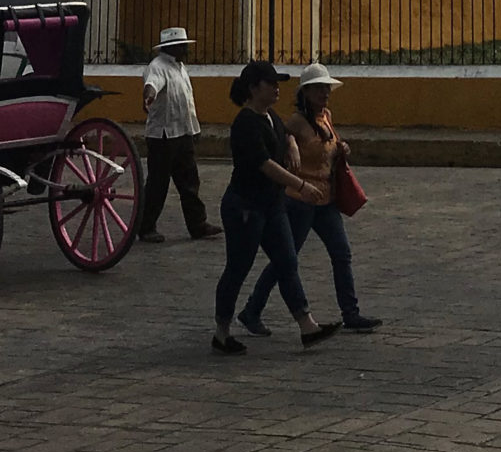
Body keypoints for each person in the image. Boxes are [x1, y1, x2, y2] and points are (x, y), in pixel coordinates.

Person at [241, 62, 381, 335]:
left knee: (341, 253)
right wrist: (291, 144)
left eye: (327, 89)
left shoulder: (325, 116)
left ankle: (350, 312)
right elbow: (281, 146)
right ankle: (251, 309)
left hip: (326, 200)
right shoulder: (295, 122)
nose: (324, 94)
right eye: (319, 89)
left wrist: (342, 149)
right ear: (305, 92)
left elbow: (328, 147)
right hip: (300, 200)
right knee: (285, 260)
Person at [210, 60, 338, 355]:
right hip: (246, 206)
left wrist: (291, 142)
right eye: (271, 83)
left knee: (287, 261)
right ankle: (222, 330)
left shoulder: (271, 117)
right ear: (254, 88)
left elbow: (285, 135)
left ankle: (307, 325)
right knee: (238, 267)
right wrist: (302, 185)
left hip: (272, 204)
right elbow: (265, 164)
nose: (277, 89)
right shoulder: (245, 122)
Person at [137, 26, 214, 244]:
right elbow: (152, 86)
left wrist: (194, 129)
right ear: (172, 47)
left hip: (182, 133)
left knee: (190, 182)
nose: (185, 49)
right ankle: (146, 226)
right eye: (182, 46)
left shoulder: (180, 68)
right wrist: (148, 97)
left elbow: (187, 102)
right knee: (157, 185)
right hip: (163, 136)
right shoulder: (157, 67)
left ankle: (198, 224)